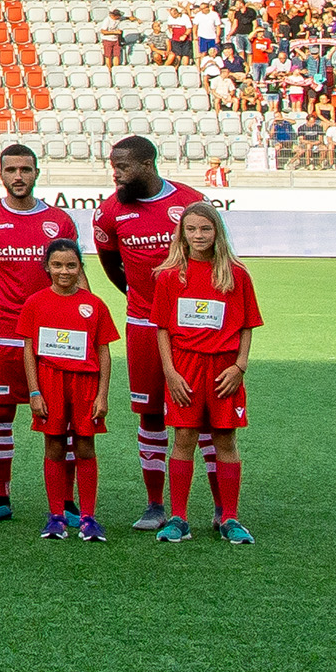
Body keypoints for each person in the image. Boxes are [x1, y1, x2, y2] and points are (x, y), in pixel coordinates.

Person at [0, 142, 80, 524]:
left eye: (25, 169)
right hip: (1, 334)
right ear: (1, 174)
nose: (19, 177)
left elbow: (76, 275)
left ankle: (66, 502)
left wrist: (84, 325)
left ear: (37, 172)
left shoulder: (59, 221)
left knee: (62, 420)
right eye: (12, 170)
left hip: (53, 336)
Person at [92, 134, 207, 531]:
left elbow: (215, 257)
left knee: (201, 413)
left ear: (147, 164)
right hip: (142, 324)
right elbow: (110, 263)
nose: (116, 174)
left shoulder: (189, 202)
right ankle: (155, 504)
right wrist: (135, 294)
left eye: (122, 166)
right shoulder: (110, 212)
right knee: (150, 414)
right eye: (113, 166)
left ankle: (218, 505)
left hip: (192, 326)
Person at [153, 202, 262, 544]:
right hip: (185, 368)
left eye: (205, 229)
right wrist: (170, 372)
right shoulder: (170, 276)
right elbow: (162, 330)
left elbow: (247, 325)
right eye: (191, 229)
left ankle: (229, 516)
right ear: (181, 234)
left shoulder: (236, 274)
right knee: (183, 439)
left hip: (223, 369)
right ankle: (179, 517)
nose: (198, 235)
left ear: (217, 232)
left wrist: (239, 366)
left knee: (225, 440)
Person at [13, 240, 118, 540]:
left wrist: (102, 394)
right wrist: (34, 392)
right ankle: (56, 516)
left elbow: (104, 351)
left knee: (85, 447)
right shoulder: (36, 302)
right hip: (50, 382)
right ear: (46, 267)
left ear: (80, 267)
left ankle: (88, 517)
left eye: (71, 265)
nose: (64, 271)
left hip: (85, 383)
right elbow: (29, 350)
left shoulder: (94, 304)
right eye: (57, 265)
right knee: (55, 446)